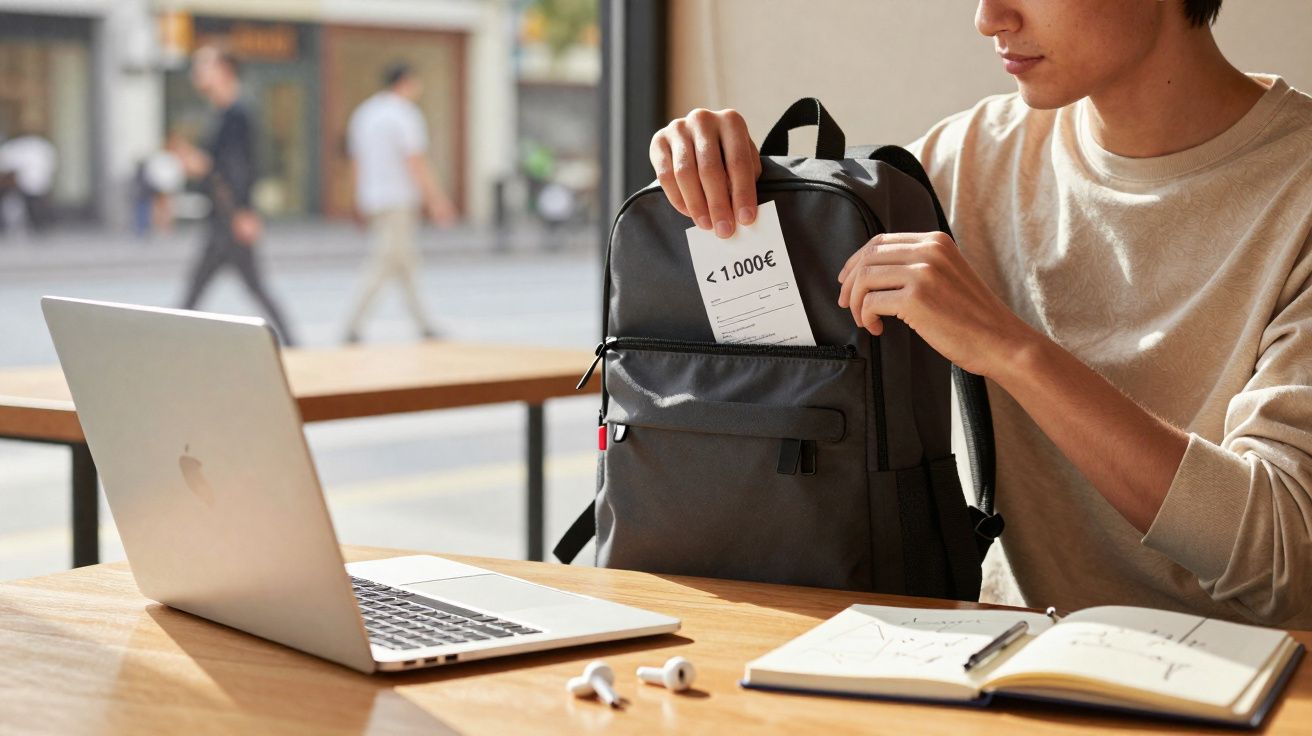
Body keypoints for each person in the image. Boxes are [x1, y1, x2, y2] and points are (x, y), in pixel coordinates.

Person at [650, 0, 1312, 627]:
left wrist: (1012, 351)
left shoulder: (1297, 188)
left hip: (1255, 678)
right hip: (1002, 654)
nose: (988, 18)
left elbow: (1281, 559)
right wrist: (715, 176)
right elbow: (778, 334)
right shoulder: (969, 158)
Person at [174, 46, 296, 345]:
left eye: (204, 66)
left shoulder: (237, 114)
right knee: (240, 286)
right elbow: (222, 166)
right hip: (223, 216)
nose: (198, 73)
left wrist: (244, 211)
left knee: (204, 288)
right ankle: (294, 342)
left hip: (229, 217)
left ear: (225, 70)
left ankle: (170, 341)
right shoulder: (220, 113)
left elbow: (242, 168)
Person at [343, 62, 457, 343]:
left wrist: (356, 197)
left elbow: (355, 161)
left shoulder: (365, 114)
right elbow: (415, 162)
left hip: (373, 198)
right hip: (397, 199)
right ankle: (353, 325)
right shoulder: (405, 115)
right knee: (384, 262)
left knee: (406, 264)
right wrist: (436, 200)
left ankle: (425, 324)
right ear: (406, 82)